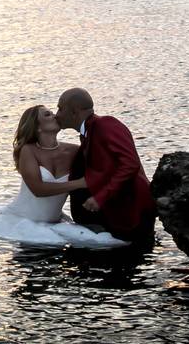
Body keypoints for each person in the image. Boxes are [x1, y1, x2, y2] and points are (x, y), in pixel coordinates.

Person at [0, 105, 130, 248]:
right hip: (21, 220)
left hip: (55, 221)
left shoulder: (73, 151)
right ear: (37, 127)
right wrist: (79, 183)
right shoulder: (28, 150)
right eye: (48, 114)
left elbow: (103, 168)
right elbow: (38, 189)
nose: (55, 115)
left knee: (107, 243)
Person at [56, 88, 157, 246]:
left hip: (134, 211)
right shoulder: (89, 132)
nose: (57, 114)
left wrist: (100, 197)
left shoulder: (106, 124)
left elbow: (130, 164)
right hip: (119, 213)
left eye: (60, 108)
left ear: (74, 111)